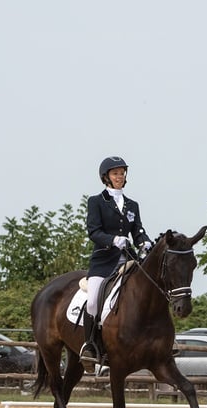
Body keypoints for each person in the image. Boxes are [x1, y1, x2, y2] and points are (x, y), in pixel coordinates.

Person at [79, 156, 152, 372]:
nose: (119, 177)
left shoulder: (132, 204)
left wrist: (144, 242)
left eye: (122, 173)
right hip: (103, 261)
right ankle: (90, 345)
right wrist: (112, 240)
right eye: (115, 174)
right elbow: (93, 231)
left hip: (128, 260)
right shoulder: (96, 201)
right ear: (106, 177)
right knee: (93, 302)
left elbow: (137, 229)